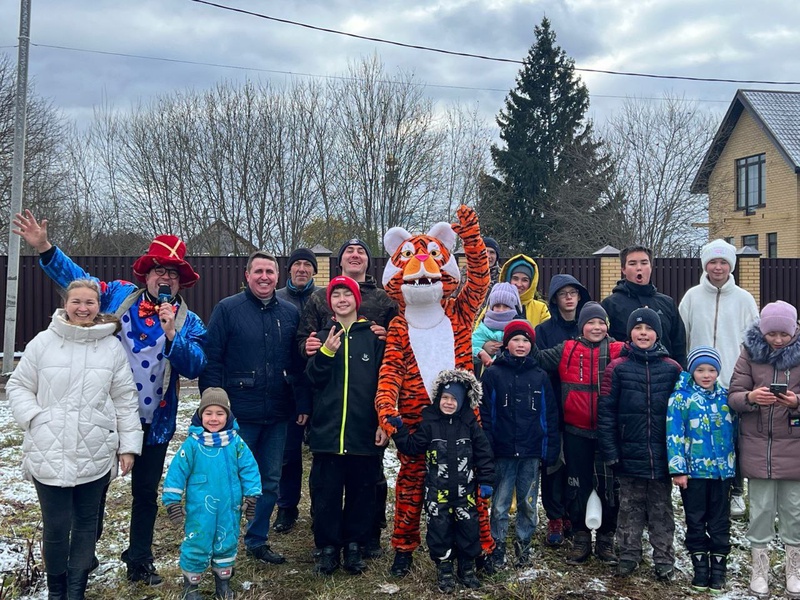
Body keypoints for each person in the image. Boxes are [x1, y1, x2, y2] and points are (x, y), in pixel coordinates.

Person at [13, 210, 207, 586]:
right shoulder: (119, 295)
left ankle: (139, 560)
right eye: (159, 271)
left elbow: (197, 364)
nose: (165, 279)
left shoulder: (189, 321)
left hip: (155, 423)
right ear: (146, 274)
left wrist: (172, 335)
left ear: (180, 281)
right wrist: (46, 248)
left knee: (145, 495)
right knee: (94, 493)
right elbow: (78, 285)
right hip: (104, 417)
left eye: (172, 274)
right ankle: (85, 557)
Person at [7, 279, 142, 600]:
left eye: (90, 303)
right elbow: (18, 386)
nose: (83, 308)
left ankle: (76, 589)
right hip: (48, 449)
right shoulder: (43, 343)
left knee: (85, 524)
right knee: (55, 527)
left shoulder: (111, 347)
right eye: (76, 301)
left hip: (94, 450)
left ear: (99, 307)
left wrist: (128, 446)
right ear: (65, 304)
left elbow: (125, 398)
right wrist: (37, 418)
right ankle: (57, 590)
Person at [199, 250, 310, 566]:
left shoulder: (289, 314)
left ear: (278, 277)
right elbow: (213, 359)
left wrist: (301, 402)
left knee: (269, 481)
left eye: (270, 272)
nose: (264, 277)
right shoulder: (228, 310)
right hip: (238, 414)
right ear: (246, 275)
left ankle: (257, 539)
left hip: (278, 413)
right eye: (258, 271)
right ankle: (223, 543)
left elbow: (296, 364)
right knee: (231, 481)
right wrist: (213, 407)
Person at [296, 238, 397, 557]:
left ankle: (364, 538)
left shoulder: (383, 300)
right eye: (349, 252)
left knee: (366, 484)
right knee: (325, 488)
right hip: (328, 423)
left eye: (361, 252)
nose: (355, 256)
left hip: (364, 422)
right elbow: (306, 355)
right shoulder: (319, 310)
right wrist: (317, 350)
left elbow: (393, 359)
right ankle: (327, 543)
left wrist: (389, 335)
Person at [304, 276, 386, 575]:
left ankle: (354, 545)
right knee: (325, 493)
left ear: (356, 300)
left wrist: (382, 421)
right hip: (328, 432)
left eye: (346, 294)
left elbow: (383, 383)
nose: (341, 299)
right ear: (330, 303)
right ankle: (328, 548)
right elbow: (313, 380)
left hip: (363, 431)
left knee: (361, 492)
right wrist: (326, 352)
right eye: (336, 294)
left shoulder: (374, 338)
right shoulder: (323, 335)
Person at [532, 302, 624, 566]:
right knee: (578, 486)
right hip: (575, 432)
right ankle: (581, 538)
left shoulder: (619, 350)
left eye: (601, 323)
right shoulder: (567, 349)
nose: (596, 327)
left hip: (608, 432)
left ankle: (606, 538)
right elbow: (536, 356)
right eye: (590, 323)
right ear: (581, 326)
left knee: (609, 487)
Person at [389, 369, 494, 593]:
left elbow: (484, 455)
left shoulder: (470, 426)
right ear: (438, 399)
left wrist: (486, 481)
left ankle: (466, 568)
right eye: (445, 398)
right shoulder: (429, 425)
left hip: (465, 493)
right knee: (439, 530)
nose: (448, 403)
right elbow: (412, 447)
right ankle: (444, 568)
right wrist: (399, 429)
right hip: (437, 493)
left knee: (468, 529)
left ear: (462, 402)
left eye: (453, 399)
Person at [598, 308, 682, 580]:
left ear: (657, 333)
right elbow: (607, 412)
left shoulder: (672, 369)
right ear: (630, 333)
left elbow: (681, 413)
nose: (643, 333)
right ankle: (628, 555)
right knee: (629, 509)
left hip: (662, 454)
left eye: (648, 328)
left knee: (661, 510)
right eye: (638, 328)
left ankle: (664, 559)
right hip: (628, 454)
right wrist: (610, 450)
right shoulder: (617, 368)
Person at [678, 238, 758, 518]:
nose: (718, 267)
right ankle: (696, 485)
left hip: (732, 381)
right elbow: (682, 335)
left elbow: (754, 341)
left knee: (732, 437)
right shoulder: (692, 297)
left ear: (731, 266)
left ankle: (735, 491)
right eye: (713, 261)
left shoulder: (744, 299)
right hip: (697, 379)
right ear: (705, 265)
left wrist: (749, 376)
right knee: (697, 435)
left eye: (724, 262)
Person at [728, 301, 800, 598]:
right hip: (757, 446)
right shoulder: (749, 353)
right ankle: (760, 568)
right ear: (763, 331)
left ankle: (793, 568)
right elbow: (733, 395)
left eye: (785, 333)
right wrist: (752, 396)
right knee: (759, 511)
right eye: (773, 334)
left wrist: (796, 403)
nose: (779, 339)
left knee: (793, 511)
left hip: (794, 446)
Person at [162, 388, 261, 600]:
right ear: (200, 415)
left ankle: (223, 582)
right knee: (197, 542)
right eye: (208, 413)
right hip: (200, 509)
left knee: (227, 541)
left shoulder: (235, 443)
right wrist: (173, 502)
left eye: (220, 413)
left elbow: (249, 468)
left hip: (229, 506)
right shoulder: (192, 445)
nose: (214, 419)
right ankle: (191, 586)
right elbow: (177, 472)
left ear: (228, 416)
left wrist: (252, 496)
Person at [480, 320, 559, 569]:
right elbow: (486, 414)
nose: (521, 344)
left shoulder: (539, 376)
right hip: (503, 451)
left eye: (525, 340)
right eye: (516, 340)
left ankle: (524, 544)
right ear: (506, 344)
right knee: (501, 502)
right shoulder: (493, 373)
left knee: (527, 501)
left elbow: (549, 416)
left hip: (531, 451)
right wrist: (488, 446)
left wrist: (549, 449)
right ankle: (498, 544)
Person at [667, 346, 736, 593]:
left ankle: (718, 569)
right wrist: (678, 469)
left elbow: (735, 434)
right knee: (695, 519)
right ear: (692, 370)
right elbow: (674, 434)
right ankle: (700, 568)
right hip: (694, 473)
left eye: (711, 370)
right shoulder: (682, 398)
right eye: (700, 369)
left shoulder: (726, 398)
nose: (706, 375)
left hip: (721, 472)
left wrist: (734, 468)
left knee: (719, 520)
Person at [534, 274, 591, 546]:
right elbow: (540, 364)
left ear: (580, 297)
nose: (569, 298)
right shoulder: (544, 331)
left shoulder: (591, 327)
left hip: (583, 410)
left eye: (573, 293)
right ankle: (554, 516)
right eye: (563, 293)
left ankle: (573, 514)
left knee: (577, 465)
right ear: (555, 299)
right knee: (553, 465)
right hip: (554, 404)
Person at [274, 248, 321, 534]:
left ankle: (320, 508)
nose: (302, 269)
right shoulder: (277, 299)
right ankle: (286, 508)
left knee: (322, 453)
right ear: (289, 270)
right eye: (297, 264)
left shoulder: (324, 298)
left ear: (315, 271)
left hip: (321, 385)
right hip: (287, 386)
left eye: (307, 265)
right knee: (288, 454)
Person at [601, 245, 686, 367]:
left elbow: (679, 345)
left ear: (651, 267)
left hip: (664, 378)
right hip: (627, 377)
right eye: (632, 263)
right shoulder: (610, 304)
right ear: (623, 269)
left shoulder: (667, 303)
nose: (639, 268)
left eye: (644, 263)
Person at [472, 282, 520, 371]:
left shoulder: (519, 328)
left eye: (506, 306)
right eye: (497, 306)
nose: (501, 310)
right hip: (491, 376)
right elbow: (468, 348)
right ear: (491, 307)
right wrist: (481, 351)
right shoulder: (484, 328)